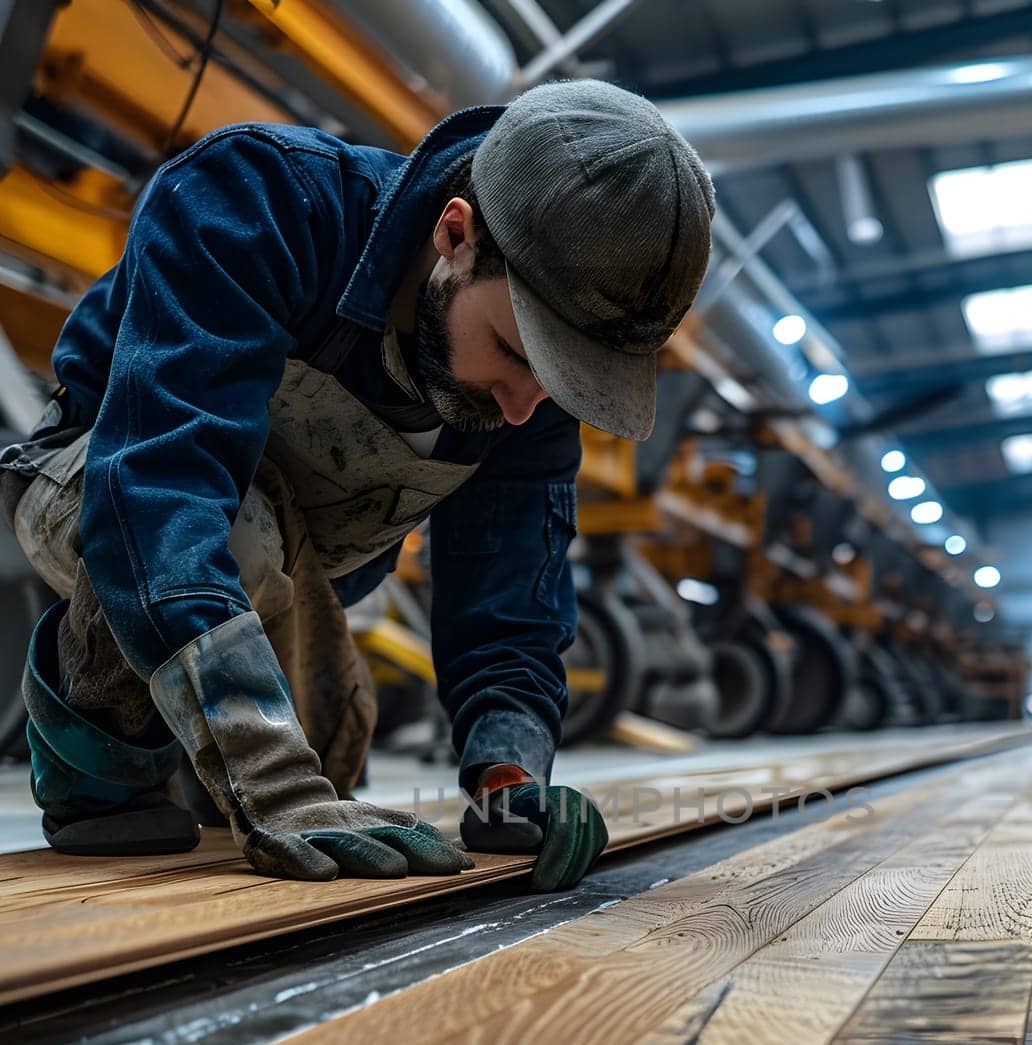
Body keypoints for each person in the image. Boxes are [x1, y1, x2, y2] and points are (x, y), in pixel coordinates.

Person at [0, 80, 714, 889]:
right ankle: (93, 752)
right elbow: (163, 489)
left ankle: (197, 755)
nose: (525, 408)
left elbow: (508, 599)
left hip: (290, 575)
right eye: (516, 355)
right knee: (240, 571)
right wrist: (270, 778)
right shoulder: (261, 198)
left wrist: (510, 781)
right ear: (456, 234)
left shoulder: (532, 386)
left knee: (331, 755)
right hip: (105, 492)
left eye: (555, 384)